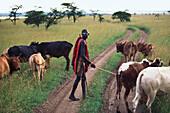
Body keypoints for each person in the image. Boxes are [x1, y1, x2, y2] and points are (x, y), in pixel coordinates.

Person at [69, 29, 96, 101]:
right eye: (87, 34)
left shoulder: (81, 41)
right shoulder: (82, 42)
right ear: (85, 34)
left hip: (80, 62)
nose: (87, 36)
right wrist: (90, 63)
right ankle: (72, 95)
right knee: (78, 78)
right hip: (80, 63)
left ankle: (84, 96)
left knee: (83, 78)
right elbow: (82, 55)